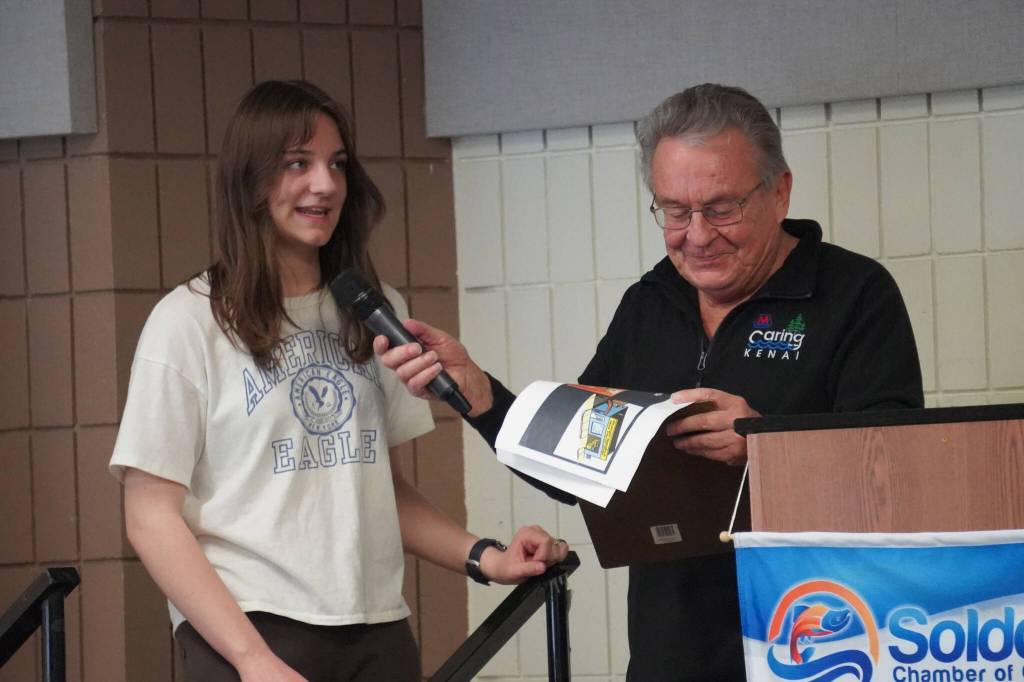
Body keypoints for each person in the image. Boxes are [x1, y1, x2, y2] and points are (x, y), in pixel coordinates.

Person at [375, 83, 924, 681]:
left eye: (721, 209)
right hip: (671, 657)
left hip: (820, 650)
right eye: (674, 211)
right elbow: (577, 461)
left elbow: (897, 479)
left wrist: (765, 447)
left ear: (779, 192)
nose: (697, 234)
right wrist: (478, 393)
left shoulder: (856, 295)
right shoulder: (650, 302)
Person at [108, 80, 569, 682]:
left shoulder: (375, 312)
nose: (324, 185)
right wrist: (251, 660)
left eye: (337, 164)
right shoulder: (189, 321)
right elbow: (149, 516)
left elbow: (378, 489)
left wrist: (485, 557)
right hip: (250, 628)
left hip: (376, 628)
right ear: (250, 180)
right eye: (298, 163)